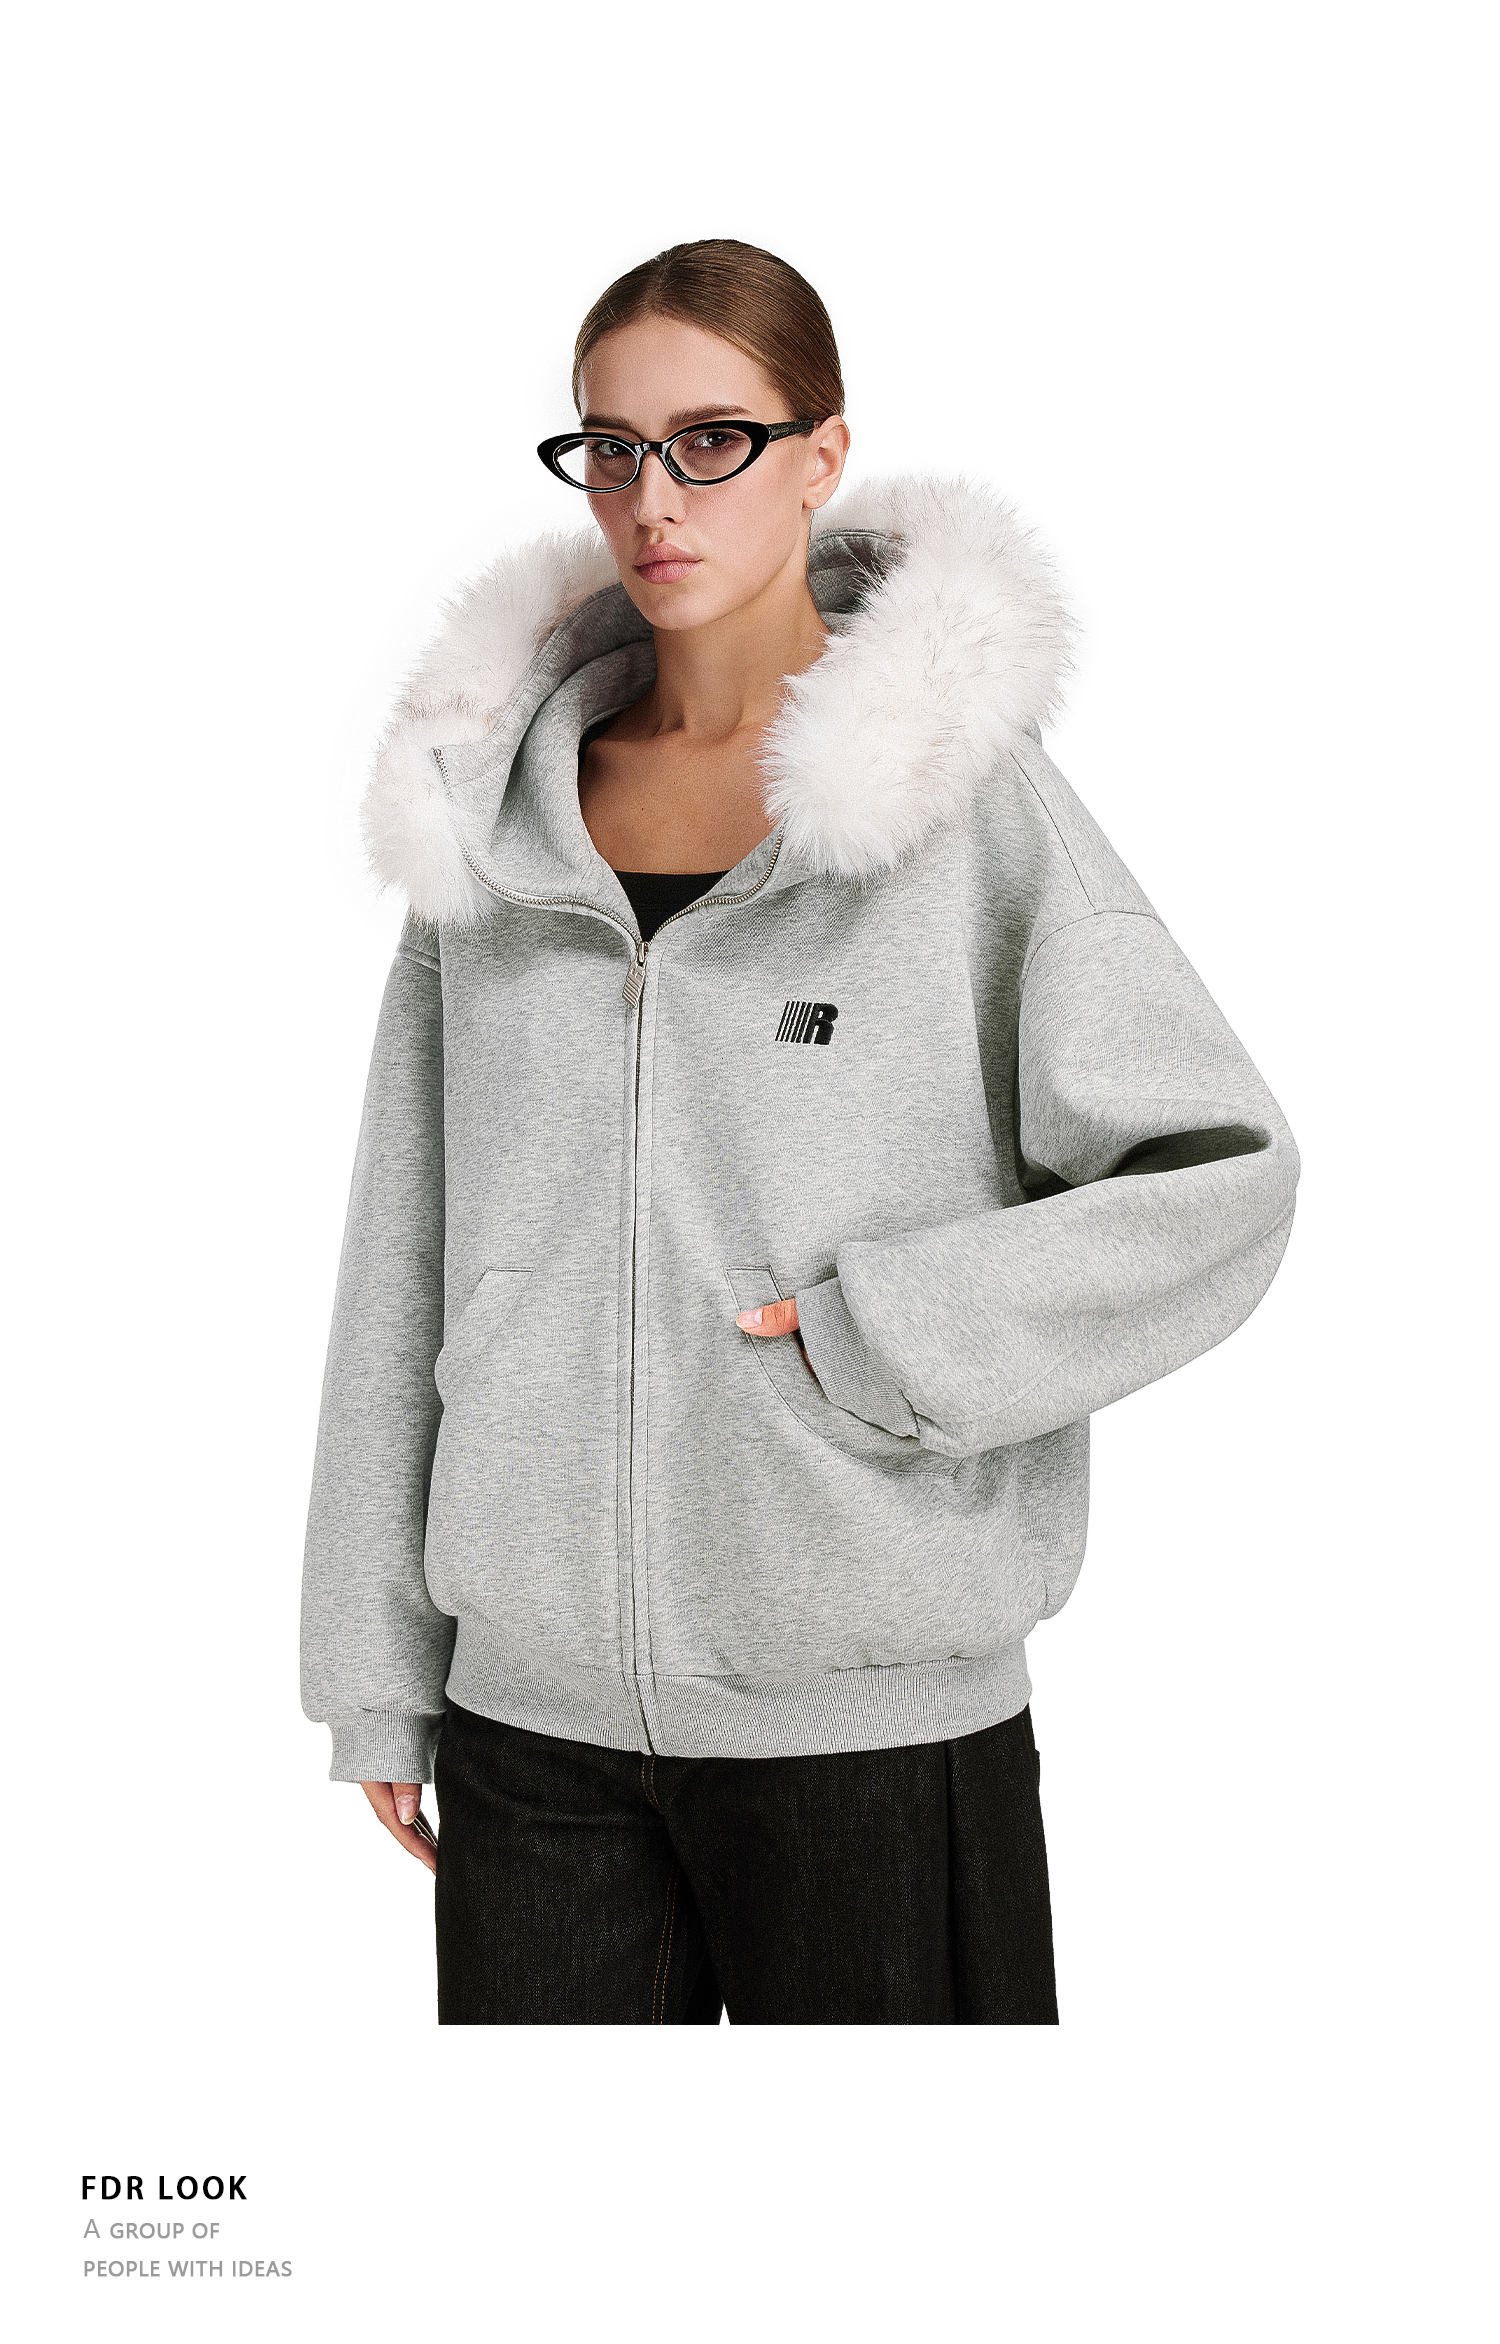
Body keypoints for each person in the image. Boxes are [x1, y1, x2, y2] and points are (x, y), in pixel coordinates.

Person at [300, 238, 1300, 2025]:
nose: (652, 497)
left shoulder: (961, 812)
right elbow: (405, 1253)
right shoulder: (496, 836)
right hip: (529, 1734)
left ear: (822, 453)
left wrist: (885, 1336)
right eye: (611, 447)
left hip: (872, 1721)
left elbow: (1220, 1174)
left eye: (712, 442)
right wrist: (377, 1666)